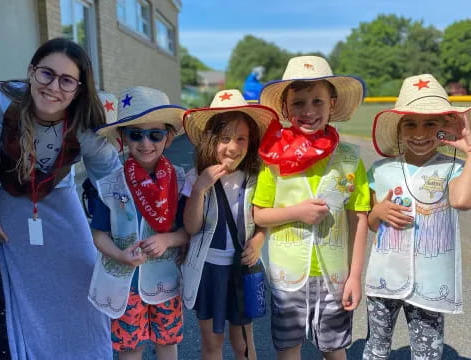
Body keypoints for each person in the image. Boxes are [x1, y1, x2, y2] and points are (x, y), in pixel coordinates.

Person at [0, 38, 121, 359]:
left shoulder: (85, 120)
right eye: (46, 74)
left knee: (84, 271)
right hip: (4, 197)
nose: (53, 87)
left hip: (58, 197)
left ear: (78, 88)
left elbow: (109, 174)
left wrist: (128, 223)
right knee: (24, 286)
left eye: (67, 80)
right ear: (32, 71)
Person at [253, 56, 370, 360]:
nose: (308, 111)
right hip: (287, 275)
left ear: (332, 104)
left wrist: (356, 275)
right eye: (299, 102)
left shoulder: (349, 158)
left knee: (334, 347)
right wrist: (295, 212)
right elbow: (259, 214)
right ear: (285, 107)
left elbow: (359, 218)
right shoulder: (273, 159)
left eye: (317, 101)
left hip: (335, 276)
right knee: (289, 347)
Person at [363, 74, 471, 360]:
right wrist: (377, 212)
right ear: (398, 130)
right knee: (376, 346)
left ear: (444, 129)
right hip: (384, 277)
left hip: (431, 283)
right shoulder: (380, 170)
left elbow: (462, 200)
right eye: (410, 123)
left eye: (430, 123)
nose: (420, 132)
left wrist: (470, 150)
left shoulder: (455, 167)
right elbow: (372, 224)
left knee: (427, 354)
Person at [89, 86, 188, 360]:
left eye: (155, 134)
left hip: (165, 281)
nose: (146, 143)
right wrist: (120, 254)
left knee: (167, 343)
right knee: (129, 348)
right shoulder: (109, 186)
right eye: (136, 134)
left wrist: (168, 239)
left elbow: (190, 230)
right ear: (123, 138)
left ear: (168, 138)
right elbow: (99, 234)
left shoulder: (180, 182)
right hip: (125, 286)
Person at [181, 89, 277, 360]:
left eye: (241, 138)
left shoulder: (257, 178)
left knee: (244, 344)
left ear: (251, 142)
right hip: (208, 272)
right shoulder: (195, 178)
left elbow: (262, 218)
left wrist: (258, 240)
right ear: (211, 140)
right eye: (224, 138)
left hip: (242, 271)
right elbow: (190, 227)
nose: (232, 147)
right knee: (212, 343)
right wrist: (200, 188)